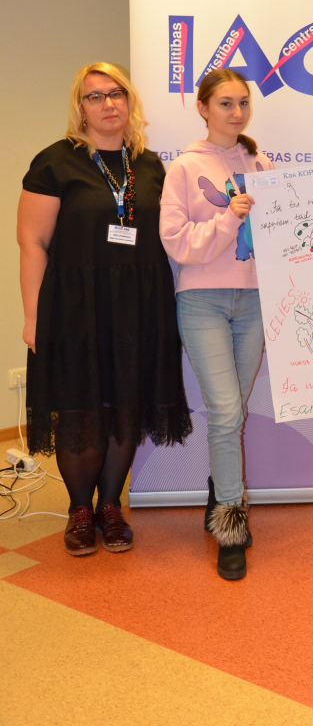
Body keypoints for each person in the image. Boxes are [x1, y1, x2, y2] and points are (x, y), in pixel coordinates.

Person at [17, 63, 191, 557]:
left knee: (124, 406)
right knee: (81, 406)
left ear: (130, 101)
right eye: (95, 96)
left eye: (117, 93)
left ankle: (110, 506)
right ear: (81, 108)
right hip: (75, 306)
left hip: (140, 305)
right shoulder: (55, 162)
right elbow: (31, 243)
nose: (108, 103)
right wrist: (33, 317)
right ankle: (79, 509)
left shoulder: (150, 165)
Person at [160, 68, 273, 581]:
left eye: (243, 102)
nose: (237, 112)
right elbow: (178, 243)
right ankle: (230, 524)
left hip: (255, 300)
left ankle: (219, 491)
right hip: (202, 300)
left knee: (235, 411)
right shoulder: (185, 167)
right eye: (225, 103)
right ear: (203, 108)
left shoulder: (262, 164)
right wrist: (231, 218)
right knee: (226, 411)